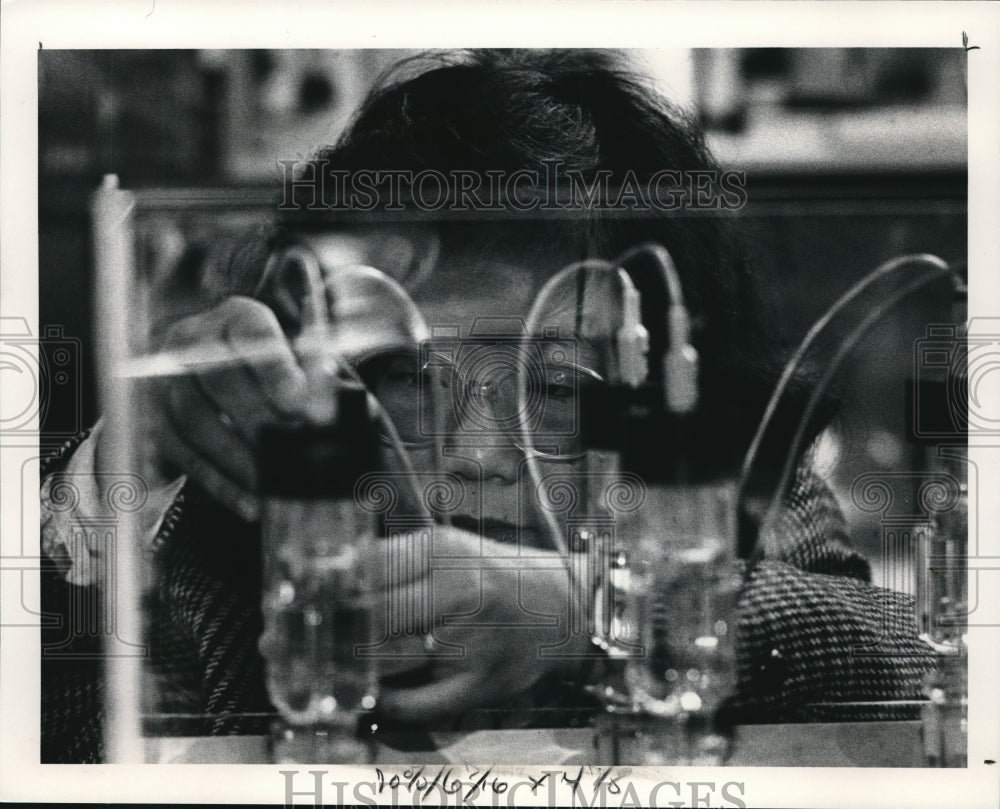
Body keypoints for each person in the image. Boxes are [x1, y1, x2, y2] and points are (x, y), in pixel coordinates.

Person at [39, 49, 937, 763]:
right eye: (404, 376)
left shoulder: (724, 493)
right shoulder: (246, 540)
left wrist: (600, 614)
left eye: (556, 388)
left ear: (662, 392)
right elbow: (54, 733)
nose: (475, 453)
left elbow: (925, 663)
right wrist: (117, 474)